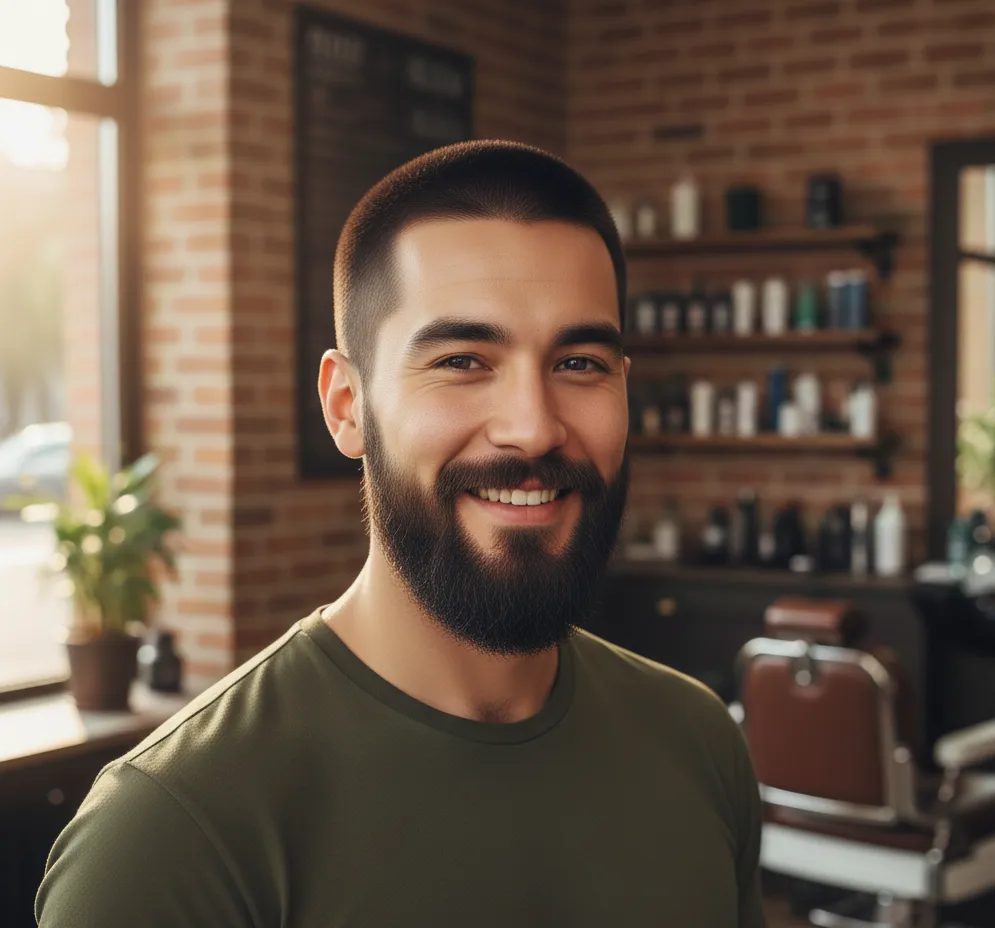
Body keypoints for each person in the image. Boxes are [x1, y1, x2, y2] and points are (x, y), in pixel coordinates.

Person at [36, 140, 765, 927]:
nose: (534, 428)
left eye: (580, 363)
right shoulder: (170, 833)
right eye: (462, 360)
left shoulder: (700, 744)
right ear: (347, 405)